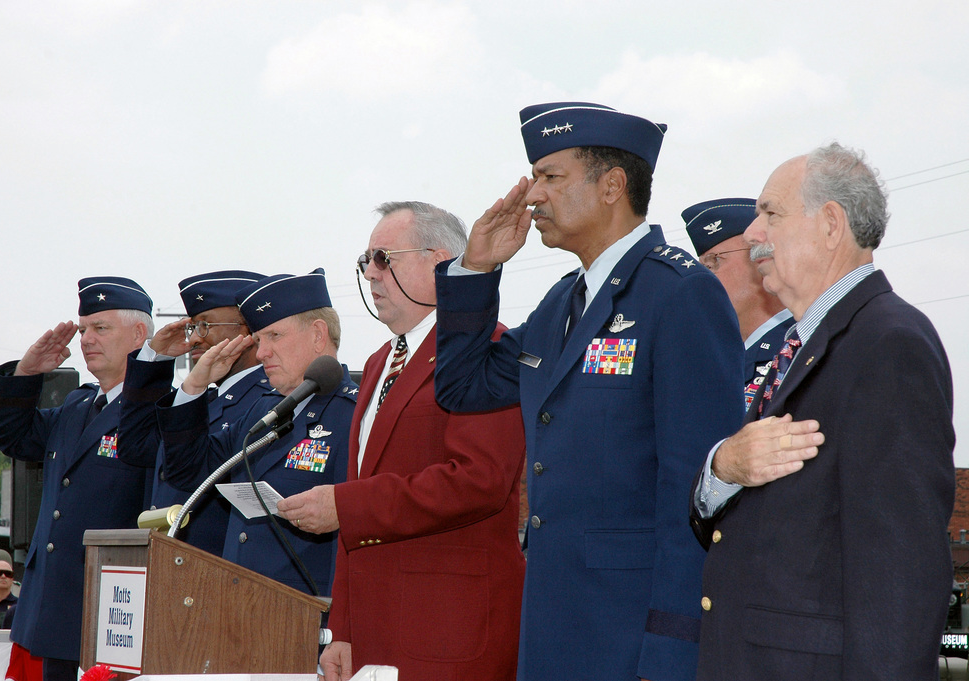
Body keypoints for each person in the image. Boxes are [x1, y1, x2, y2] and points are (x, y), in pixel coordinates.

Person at [432, 102, 744, 681]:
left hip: (631, 636)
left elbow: (698, 492)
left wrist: (674, 649)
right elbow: (461, 386)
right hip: (555, 623)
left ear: (612, 186)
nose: (531, 196)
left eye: (551, 177)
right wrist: (475, 271)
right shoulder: (561, 304)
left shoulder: (680, 295)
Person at [689, 143, 955, 681]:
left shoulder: (888, 343)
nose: (751, 234)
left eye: (771, 213)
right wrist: (721, 469)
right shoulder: (799, 344)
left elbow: (900, 575)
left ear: (831, 223)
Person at [279, 202, 527, 681]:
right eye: (365, 261)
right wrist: (344, 629)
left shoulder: (488, 351)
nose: (370, 274)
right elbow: (359, 492)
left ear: (438, 260)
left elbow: (480, 481)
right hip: (374, 635)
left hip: (450, 631)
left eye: (383, 258)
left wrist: (346, 506)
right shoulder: (376, 363)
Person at [0, 276, 153, 681]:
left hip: (116, 612)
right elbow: (15, 437)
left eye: (101, 328)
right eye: (83, 330)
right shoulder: (77, 404)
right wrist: (27, 372)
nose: (86, 339)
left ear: (138, 334)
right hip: (56, 607)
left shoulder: (159, 411)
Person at [156, 271, 356, 595]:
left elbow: (359, 535)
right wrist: (193, 387)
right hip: (239, 610)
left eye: (275, 336)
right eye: (260, 339)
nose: (261, 353)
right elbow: (188, 471)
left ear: (318, 335)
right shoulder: (261, 412)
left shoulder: (355, 414)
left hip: (306, 620)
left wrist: (340, 630)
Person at [119, 270, 267, 554]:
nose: (195, 339)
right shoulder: (197, 398)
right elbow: (136, 446)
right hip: (168, 562)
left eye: (206, 325)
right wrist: (155, 359)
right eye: (193, 327)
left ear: (246, 330)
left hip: (214, 570)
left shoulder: (267, 400)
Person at [683, 198, 793, 408]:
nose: (701, 277)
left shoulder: (800, 345)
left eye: (714, 262)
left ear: (762, 259)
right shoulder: (709, 355)